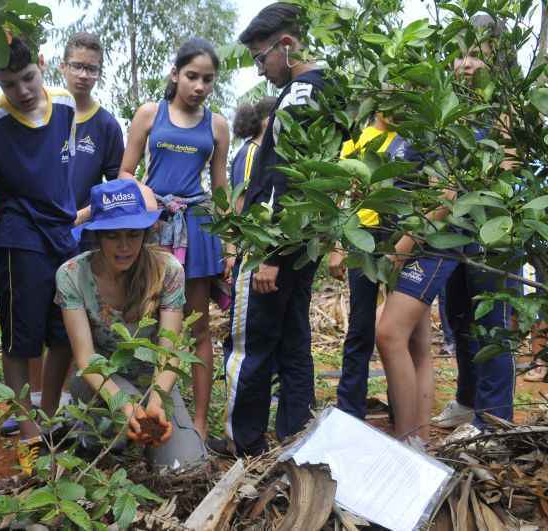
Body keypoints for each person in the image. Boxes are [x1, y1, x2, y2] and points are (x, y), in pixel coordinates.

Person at [378, 13, 516, 442]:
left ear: (499, 58)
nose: (467, 64)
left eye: (478, 55)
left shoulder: (504, 109)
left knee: (491, 323)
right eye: (461, 55)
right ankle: (468, 401)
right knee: (459, 319)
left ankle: (493, 420)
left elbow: (501, 169)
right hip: (448, 235)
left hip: (486, 232)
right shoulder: (453, 108)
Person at [214, 3, 330, 457]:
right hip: (304, 244)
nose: (261, 71)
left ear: (286, 45)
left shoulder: (301, 96)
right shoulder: (327, 90)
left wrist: (269, 254)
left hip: (276, 244)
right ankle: (296, 436)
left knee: (250, 344)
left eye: (261, 58)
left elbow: (288, 179)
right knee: (294, 341)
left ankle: (242, 442)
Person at [0, 35, 79, 448]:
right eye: (9, 84)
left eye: (28, 77)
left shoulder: (66, 104)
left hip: (63, 234)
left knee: (66, 331)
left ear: (43, 64)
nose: (23, 91)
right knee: (20, 338)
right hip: (19, 234)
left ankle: (50, 415)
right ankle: (29, 432)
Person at [119, 38, 230, 439]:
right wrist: (143, 192)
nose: (199, 86)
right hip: (152, 227)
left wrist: (230, 242)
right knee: (146, 322)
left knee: (197, 326)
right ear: (175, 74)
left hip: (197, 228)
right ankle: (144, 412)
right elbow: (125, 171)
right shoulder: (151, 114)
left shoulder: (216, 125)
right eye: (192, 76)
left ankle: (198, 424)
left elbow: (219, 189)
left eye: (208, 79)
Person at [56, 179, 208, 468]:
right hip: (101, 379)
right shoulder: (72, 275)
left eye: (133, 235)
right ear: (97, 236)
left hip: (154, 380)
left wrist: (158, 401)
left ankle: (139, 436)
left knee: (184, 466)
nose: (124, 246)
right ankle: (96, 434)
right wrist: (123, 405)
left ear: (145, 234)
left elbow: (168, 351)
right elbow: (86, 359)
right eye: (113, 235)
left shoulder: (168, 271)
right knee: (107, 449)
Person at [328, 113, 400, 420]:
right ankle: (349, 407)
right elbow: (341, 200)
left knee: (401, 328)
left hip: (401, 237)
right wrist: (336, 247)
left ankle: (403, 406)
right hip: (363, 239)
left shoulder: (411, 140)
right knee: (361, 324)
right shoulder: (356, 144)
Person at [61, 31, 125, 243]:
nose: (83, 75)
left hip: (84, 234)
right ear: (63, 67)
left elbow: (118, 185)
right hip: (40, 230)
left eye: (91, 69)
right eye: (77, 66)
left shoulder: (107, 125)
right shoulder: (44, 115)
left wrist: (84, 214)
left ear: (99, 73)